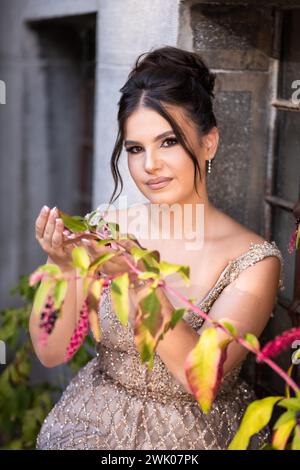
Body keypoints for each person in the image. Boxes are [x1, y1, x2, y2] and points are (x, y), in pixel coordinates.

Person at [31, 46, 284, 450]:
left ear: (209, 142)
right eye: (135, 149)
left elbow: (200, 379)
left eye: (168, 142)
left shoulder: (252, 260)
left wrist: (136, 281)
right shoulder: (105, 229)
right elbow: (50, 351)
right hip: (89, 424)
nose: (149, 165)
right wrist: (62, 266)